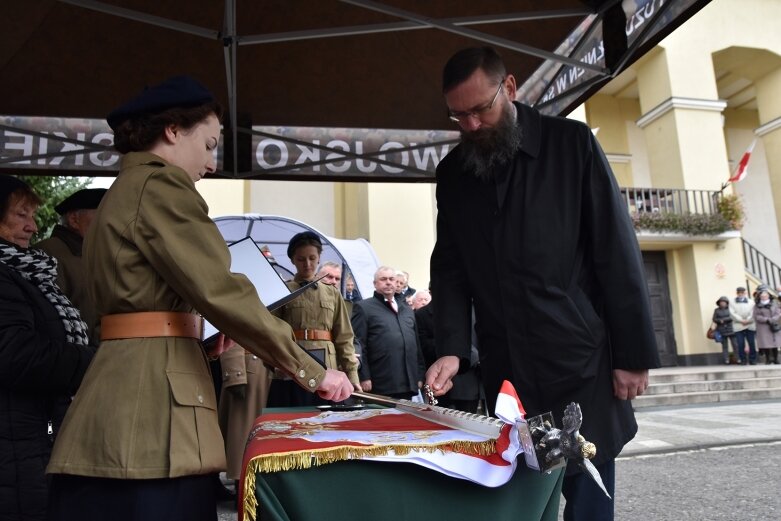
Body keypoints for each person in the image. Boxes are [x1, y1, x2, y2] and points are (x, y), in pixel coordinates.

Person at [45, 76, 353, 521]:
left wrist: (192, 335)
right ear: (172, 130)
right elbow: (219, 289)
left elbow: (126, 311)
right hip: (154, 413)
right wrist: (310, 368)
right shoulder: (162, 187)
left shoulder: (122, 193)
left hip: (119, 395)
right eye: (209, 145)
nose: (211, 163)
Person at [424, 47, 660, 521]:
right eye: (458, 115)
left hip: (580, 361)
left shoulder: (571, 144)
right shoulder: (452, 174)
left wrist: (632, 356)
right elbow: (449, 268)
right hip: (507, 368)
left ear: (509, 88)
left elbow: (615, 252)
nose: (470, 125)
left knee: (589, 495)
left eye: (480, 110)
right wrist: (451, 347)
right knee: (524, 498)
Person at [0, 175, 94, 521]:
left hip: (30, 437)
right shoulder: (6, 273)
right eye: (21, 215)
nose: (32, 226)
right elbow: (16, 354)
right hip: (15, 441)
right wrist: (95, 361)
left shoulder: (26, 271)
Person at [267, 232, 361, 407]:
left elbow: (344, 337)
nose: (307, 264)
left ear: (319, 258)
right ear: (292, 260)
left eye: (312, 258)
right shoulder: (282, 291)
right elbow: (272, 333)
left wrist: (352, 374)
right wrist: (277, 366)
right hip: (294, 366)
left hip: (328, 368)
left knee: (326, 421)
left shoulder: (332, 292)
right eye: (301, 259)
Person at [35, 187, 107, 343]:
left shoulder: (97, 252)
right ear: (74, 220)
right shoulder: (48, 252)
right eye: (103, 214)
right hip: (74, 357)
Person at [352, 266, 425, 399]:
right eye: (383, 279)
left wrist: (419, 375)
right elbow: (358, 344)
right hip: (380, 382)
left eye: (392, 279)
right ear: (375, 284)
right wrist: (364, 376)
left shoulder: (407, 310)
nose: (388, 282)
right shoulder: (363, 308)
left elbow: (416, 345)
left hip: (408, 382)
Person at [753, 286, 780, 365]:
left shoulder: (774, 303)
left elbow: (778, 313)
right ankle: (768, 359)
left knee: (775, 343)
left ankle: (775, 359)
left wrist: (773, 319)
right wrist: (766, 319)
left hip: (774, 325)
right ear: (760, 297)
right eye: (762, 296)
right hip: (763, 327)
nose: (764, 297)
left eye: (765, 295)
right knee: (766, 344)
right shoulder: (757, 305)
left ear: (768, 296)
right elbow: (756, 316)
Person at [729, 286, 757, 365]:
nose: (741, 294)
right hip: (738, 326)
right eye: (739, 292)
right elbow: (732, 313)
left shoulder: (751, 302)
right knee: (740, 344)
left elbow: (753, 312)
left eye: (742, 292)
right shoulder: (732, 302)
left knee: (752, 343)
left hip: (750, 325)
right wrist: (741, 320)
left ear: (745, 293)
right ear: (737, 293)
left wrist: (748, 320)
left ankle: (753, 360)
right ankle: (743, 360)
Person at [712, 296, 737, 364]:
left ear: (727, 303)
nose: (722, 303)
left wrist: (724, 320)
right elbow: (714, 319)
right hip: (721, 329)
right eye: (721, 302)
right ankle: (726, 359)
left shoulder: (731, 309)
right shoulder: (716, 310)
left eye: (724, 302)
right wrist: (719, 321)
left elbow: (733, 317)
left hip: (731, 328)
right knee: (725, 346)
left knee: (735, 345)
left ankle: (737, 358)